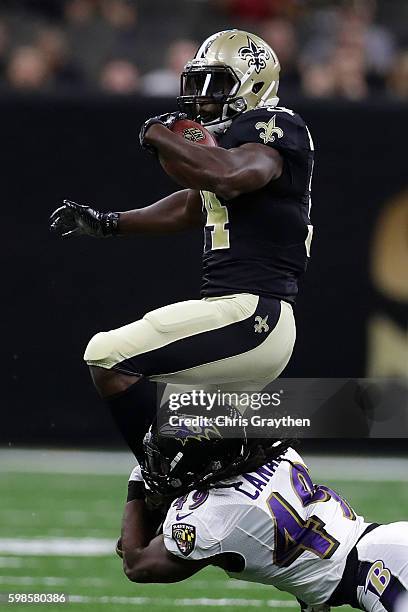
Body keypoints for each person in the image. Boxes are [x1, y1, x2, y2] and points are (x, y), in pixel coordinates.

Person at [49, 29, 314, 465]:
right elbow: (193, 205)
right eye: (196, 83)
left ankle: (169, 471)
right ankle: (216, 469)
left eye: (217, 84)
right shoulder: (231, 147)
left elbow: (231, 175)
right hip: (238, 317)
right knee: (145, 517)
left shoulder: (275, 125)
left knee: (108, 354)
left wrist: (162, 134)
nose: (201, 98)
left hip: (253, 312)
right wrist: (109, 223)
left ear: (254, 86)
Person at [116, 408, 408, 612]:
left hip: (379, 576)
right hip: (386, 544)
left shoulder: (215, 517)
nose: (160, 467)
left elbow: (136, 563)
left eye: (168, 459)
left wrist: (136, 480)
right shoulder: (273, 452)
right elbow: (313, 571)